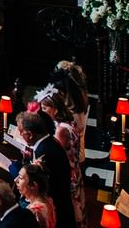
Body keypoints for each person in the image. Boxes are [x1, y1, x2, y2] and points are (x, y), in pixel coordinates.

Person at [15, 112, 75, 228]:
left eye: (21, 131)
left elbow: (38, 181)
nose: (20, 134)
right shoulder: (48, 142)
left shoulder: (44, 152)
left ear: (30, 135)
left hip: (57, 204)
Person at [36, 87, 84, 226]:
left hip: (68, 175)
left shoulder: (61, 129)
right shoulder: (67, 122)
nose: (42, 112)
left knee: (68, 213)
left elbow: (56, 153)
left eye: (45, 108)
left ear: (55, 109)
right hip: (73, 170)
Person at [15, 162, 57, 228]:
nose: (15, 180)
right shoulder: (47, 199)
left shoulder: (33, 211)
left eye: (20, 178)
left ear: (33, 185)